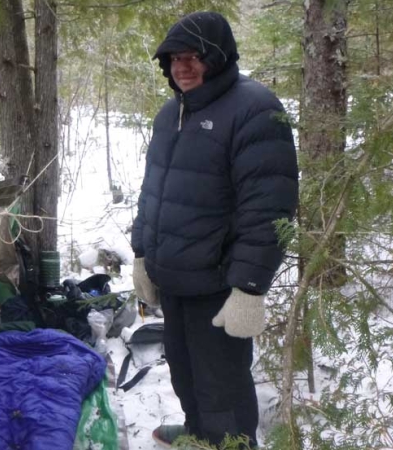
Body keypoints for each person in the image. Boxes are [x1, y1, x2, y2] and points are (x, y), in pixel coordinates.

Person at [131, 11, 299, 449]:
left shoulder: (254, 109)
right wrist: (142, 255)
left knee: (222, 386)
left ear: (218, 58)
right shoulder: (171, 114)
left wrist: (249, 286)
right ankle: (198, 437)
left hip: (218, 284)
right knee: (186, 375)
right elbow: (153, 192)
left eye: (193, 57)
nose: (181, 67)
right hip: (175, 278)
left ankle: (232, 445)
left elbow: (269, 209)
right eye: (173, 59)